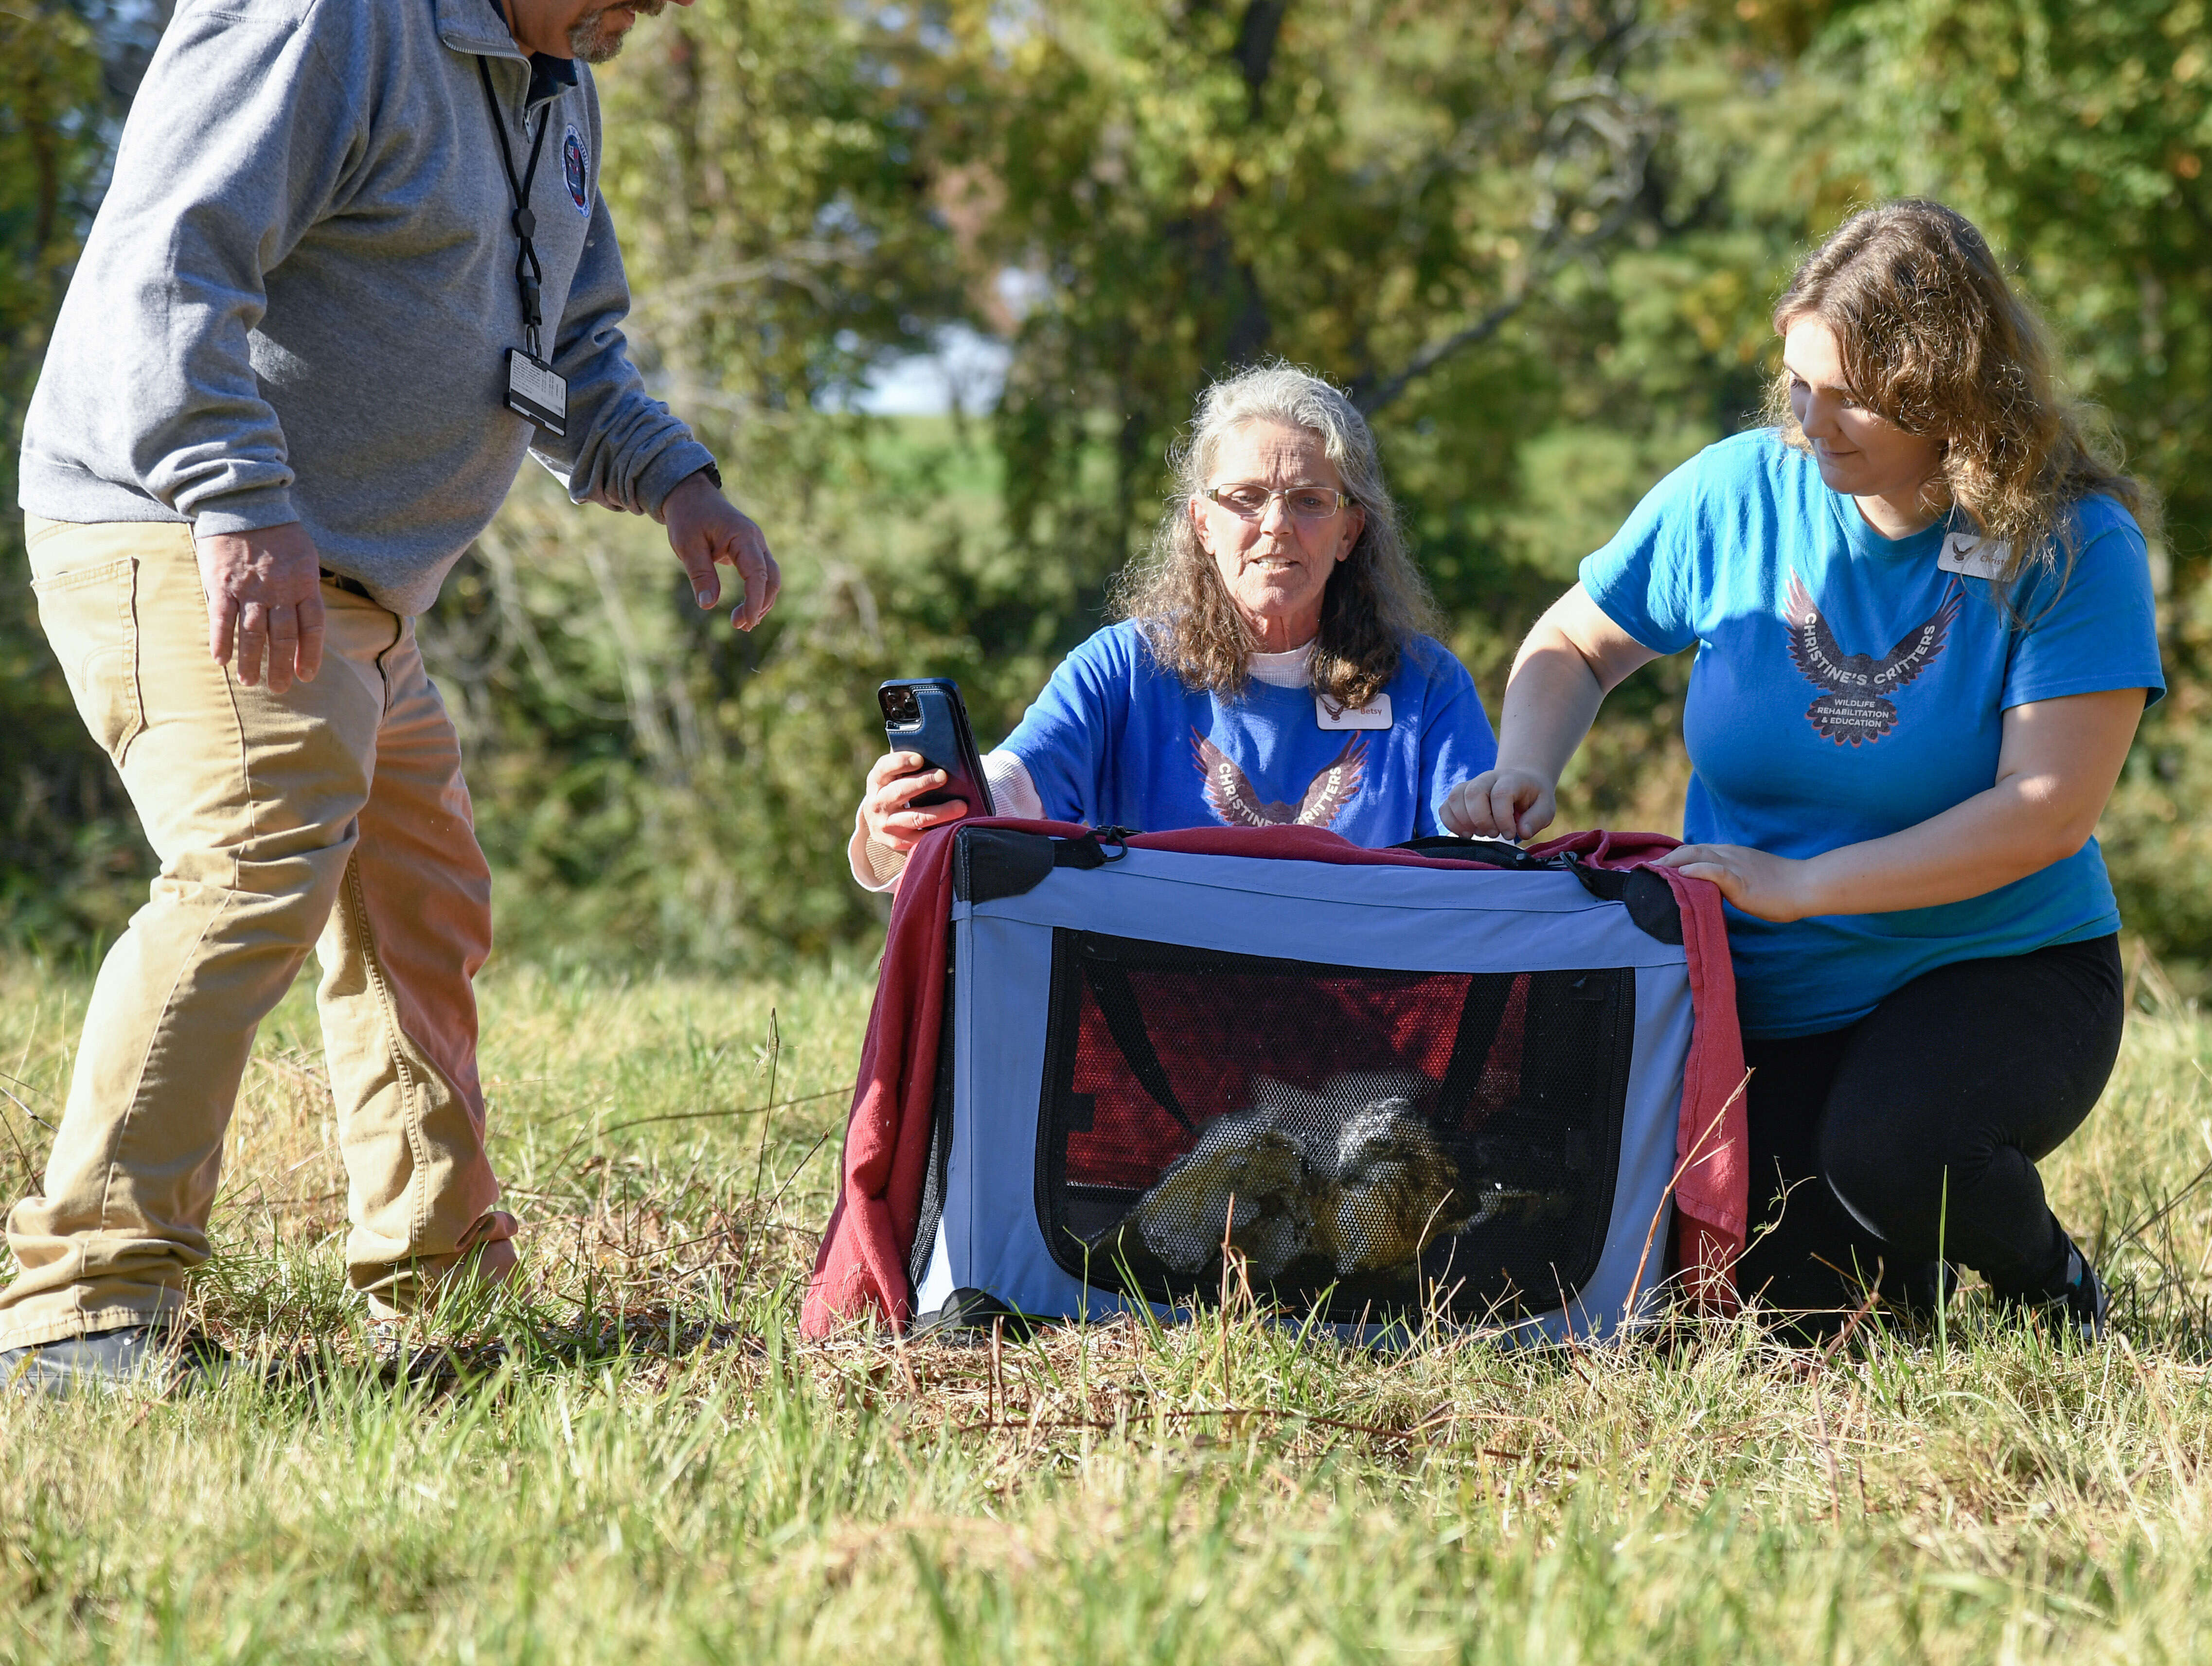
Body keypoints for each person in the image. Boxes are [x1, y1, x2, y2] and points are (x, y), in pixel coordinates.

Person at [2, 0, 781, 1393]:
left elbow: (567, 354)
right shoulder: (326, 19)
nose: (643, 14)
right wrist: (238, 498)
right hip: (185, 525)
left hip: (356, 581)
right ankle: (83, 1304)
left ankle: (438, 1282)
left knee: (419, 898)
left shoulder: (551, 85)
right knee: (255, 852)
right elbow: (171, 262)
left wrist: (676, 478)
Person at [1443, 200, 2162, 1339]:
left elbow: (2046, 813)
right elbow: (1575, 643)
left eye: (1850, 394)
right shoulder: (1735, 491)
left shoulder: (2069, 545)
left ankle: (2051, 1287)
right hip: (1761, 995)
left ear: (1947, 393)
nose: (1810, 422)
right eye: (1796, 383)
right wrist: (1526, 764)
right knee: (1795, 1321)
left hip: (1997, 966)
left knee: (1895, 1152)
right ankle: (1902, 1252)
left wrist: (1803, 887)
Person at [851, 363, 1496, 889]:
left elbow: (1486, 870)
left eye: (1309, 501)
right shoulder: (1120, 670)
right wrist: (916, 813)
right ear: (1203, 524)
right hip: (1158, 1036)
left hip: (1368, 1037)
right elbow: (1017, 784)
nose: (1275, 525)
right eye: (1244, 498)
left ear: (1351, 530)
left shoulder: (1428, 685)